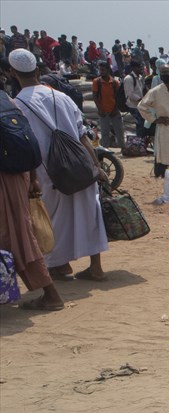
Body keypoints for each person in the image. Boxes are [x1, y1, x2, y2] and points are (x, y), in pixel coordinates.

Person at [9, 49, 109, 282]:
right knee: (88, 212)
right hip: (79, 163)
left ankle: (59, 265)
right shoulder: (61, 97)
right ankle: (96, 267)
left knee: (51, 218)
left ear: (12, 73)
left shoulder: (18, 104)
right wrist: (97, 166)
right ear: (37, 70)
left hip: (46, 170)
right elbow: (83, 136)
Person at [0, 91, 64, 310]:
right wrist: (33, 178)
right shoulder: (5, 98)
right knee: (18, 233)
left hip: (5, 177)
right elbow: (27, 136)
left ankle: (51, 294)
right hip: (19, 174)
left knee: (17, 236)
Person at [91, 62, 124, 149]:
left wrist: (115, 109)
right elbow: (95, 97)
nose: (101, 72)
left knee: (119, 130)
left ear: (108, 70)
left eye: (103, 70)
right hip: (103, 111)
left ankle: (123, 148)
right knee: (104, 131)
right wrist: (100, 109)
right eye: (100, 70)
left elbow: (118, 97)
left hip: (114, 110)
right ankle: (105, 149)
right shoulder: (96, 82)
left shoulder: (114, 82)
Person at [122, 60, 147, 138]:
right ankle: (138, 144)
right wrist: (141, 100)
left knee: (142, 126)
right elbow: (130, 94)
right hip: (133, 106)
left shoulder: (139, 78)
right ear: (134, 68)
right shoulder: (129, 78)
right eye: (140, 68)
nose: (141, 70)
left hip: (140, 106)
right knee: (139, 126)